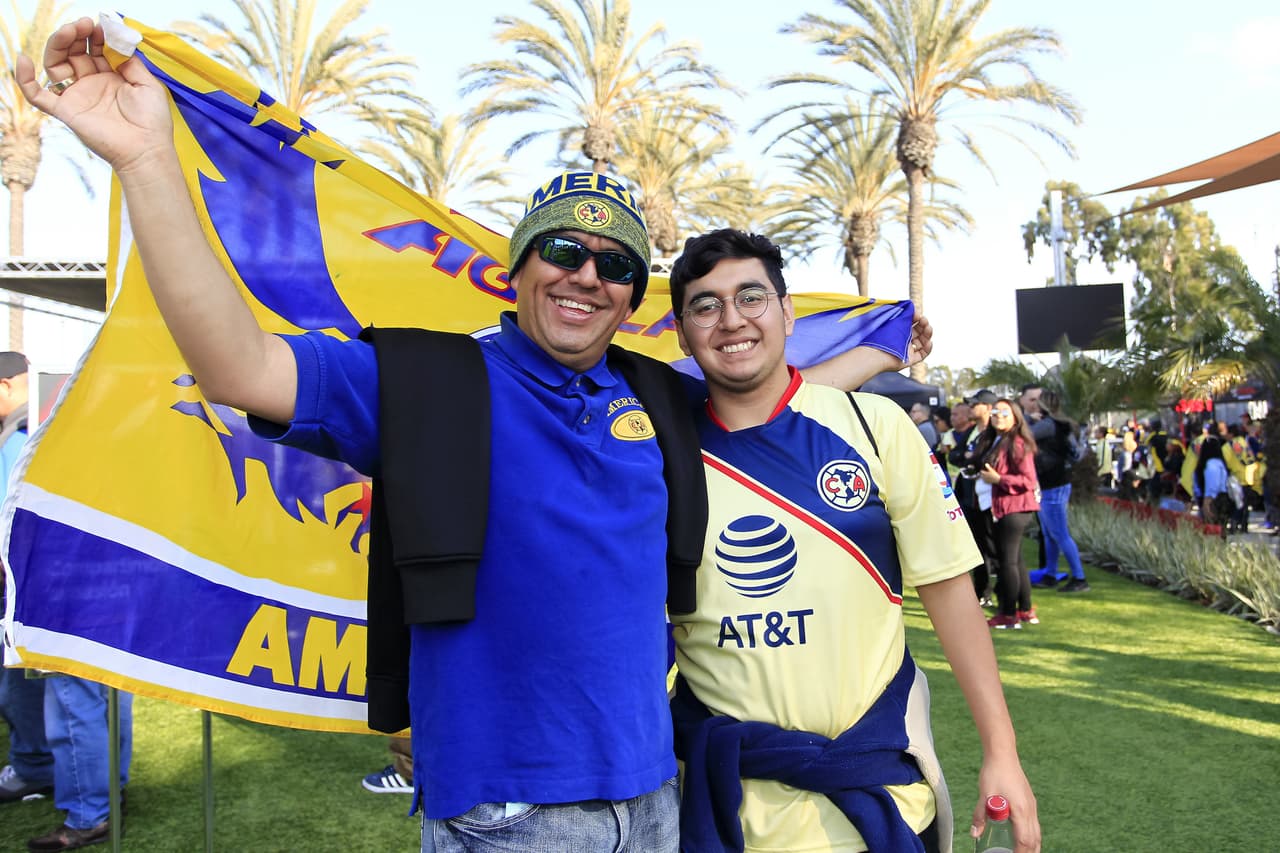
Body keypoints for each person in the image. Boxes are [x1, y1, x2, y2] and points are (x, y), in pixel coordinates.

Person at [18, 22, 931, 851]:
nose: (588, 276)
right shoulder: (429, 382)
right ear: (515, 269)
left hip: (657, 799)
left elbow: (760, 390)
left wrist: (879, 353)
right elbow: (239, 366)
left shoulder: (651, 398)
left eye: (615, 264)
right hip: (508, 818)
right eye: (562, 252)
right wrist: (145, 160)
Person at [665, 230, 1039, 853]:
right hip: (727, 813)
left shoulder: (877, 427)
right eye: (706, 306)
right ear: (683, 332)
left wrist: (1002, 751)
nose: (731, 320)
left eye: (751, 297)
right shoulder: (660, 452)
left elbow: (951, 596)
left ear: (787, 313)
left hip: (881, 801)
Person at [0, 352, 133, 852]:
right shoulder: (91, 421)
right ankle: (104, 797)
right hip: (106, 572)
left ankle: (90, 813)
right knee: (100, 692)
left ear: (10, 385)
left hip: (60, 580)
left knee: (76, 697)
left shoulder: (29, 434)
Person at [0, 353, 54, 808]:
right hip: (31, 579)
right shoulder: (28, 429)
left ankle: (35, 766)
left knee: (21, 679)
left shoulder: (22, 436)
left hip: (22, 583)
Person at [973, 400, 1041, 629]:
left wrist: (999, 480)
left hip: (1014, 507)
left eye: (1004, 412)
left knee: (1007, 561)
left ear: (1015, 416)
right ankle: (1025, 609)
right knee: (1016, 560)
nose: (998, 416)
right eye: (994, 412)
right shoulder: (998, 440)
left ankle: (1008, 614)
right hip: (1005, 506)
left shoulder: (1017, 443)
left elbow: (1028, 480)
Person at [1028, 390, 1089, 593]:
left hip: (1051, 483)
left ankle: (1079, 577)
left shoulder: (1046, 425)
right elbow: (1075, 453)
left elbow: (1024, 436)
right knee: (1049, 533)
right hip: (1058, 480)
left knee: (1058, 533)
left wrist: (1027, 420)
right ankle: (1051, 573)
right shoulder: (1064, 425)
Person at [950, 391, 998, 606]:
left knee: (993, 548)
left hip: (988, 498)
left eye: (974, 405)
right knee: (976, 546)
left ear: (987, 407)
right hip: (968, 496)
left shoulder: (993, 433)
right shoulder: (972, 432)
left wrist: (971, 460)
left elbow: (983, 461)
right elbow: (955, 455)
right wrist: (966, 458)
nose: (970, 409)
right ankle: (981, 591)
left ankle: (998, 594)